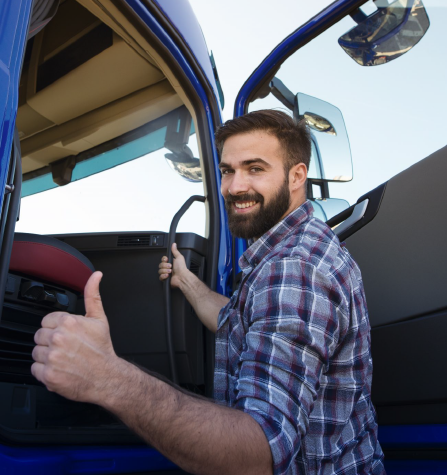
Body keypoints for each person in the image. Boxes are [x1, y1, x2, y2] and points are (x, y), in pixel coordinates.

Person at [31, 110, 383, 475]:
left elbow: (257, 455)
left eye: (255, 169)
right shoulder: (291, 251)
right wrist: (185, 279)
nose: (234, 187)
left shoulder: (294, 270)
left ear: (297, 176)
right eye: (228, 170)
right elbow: (235, 321)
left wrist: (107, 377)